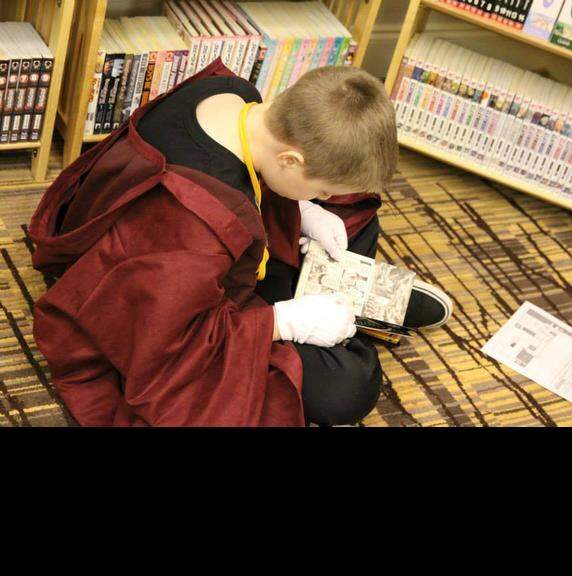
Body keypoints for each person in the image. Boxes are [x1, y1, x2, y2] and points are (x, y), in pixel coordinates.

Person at [27, 58, 451, 427]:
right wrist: (283, 323)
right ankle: (349, 311)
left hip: (229, 247)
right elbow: (169, 343)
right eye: (318, 190)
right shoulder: (192, 222)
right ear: (289, 160)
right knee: (348, 388)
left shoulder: (235, 96)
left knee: (352, 210)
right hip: (171, 293)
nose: (320, 197)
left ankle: (342, 302)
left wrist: (306, 210)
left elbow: (257, 178)